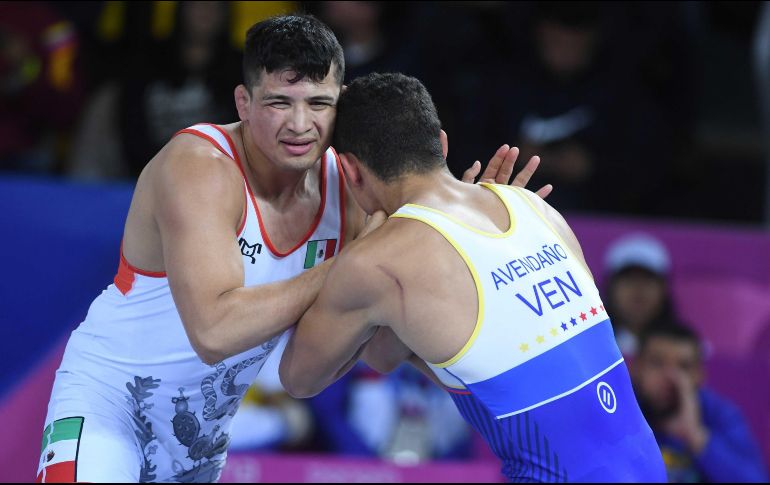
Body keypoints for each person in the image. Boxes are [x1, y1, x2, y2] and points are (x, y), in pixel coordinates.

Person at [36, 15, 547, 483]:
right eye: (280, 102)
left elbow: (376, 344)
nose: (300, 125)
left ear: (339, 101)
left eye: (319, 104)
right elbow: (214, 332)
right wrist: (360, 261)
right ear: (243, 102)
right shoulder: (198, 167)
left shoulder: (346, 187)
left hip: (200, 442)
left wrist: (465, 233)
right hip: (110, 406)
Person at [279, 72, 667, 482]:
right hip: (648, 466)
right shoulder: (535, 207)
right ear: (442, 144)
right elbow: (385, 353)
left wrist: (348, 258)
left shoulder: (376, 262)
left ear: (350, 171)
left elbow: (299, 378)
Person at [632, 323, 769, 483]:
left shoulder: (719, 414)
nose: (670, 376)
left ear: (700, 375)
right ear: (637, 368)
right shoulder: (617, 411)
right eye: (657, 363)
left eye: (683, 367)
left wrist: (696, 437)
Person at [604, 233, 677, 359]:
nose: (638, 289)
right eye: (629, 279)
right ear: (611, 288)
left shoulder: (687, 347)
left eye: (647, 280)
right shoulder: (593, 345)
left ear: (663, 289)